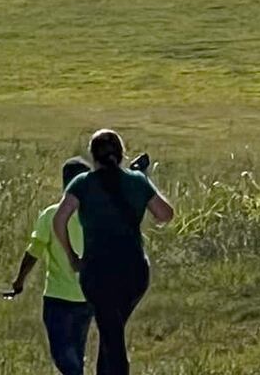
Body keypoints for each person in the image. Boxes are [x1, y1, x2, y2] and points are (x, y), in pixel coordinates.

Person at [53, 130, 174, 375]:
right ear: (121, 154)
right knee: (112, 330)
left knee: (112, 334)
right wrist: (143, 179)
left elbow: (59, 220)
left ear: (93, 156)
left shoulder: (83, 184)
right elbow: (165, 215)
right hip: (134, 272)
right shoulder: (137, 181)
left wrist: (72, 256)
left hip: (97, 272)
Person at [7, 157, 93, 375]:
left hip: (58, 297)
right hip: (87, 297)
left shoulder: (52, 214)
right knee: (76, 350)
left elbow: (33, 252)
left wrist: (19, 281)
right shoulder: (95, 216)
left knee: (62, 353)